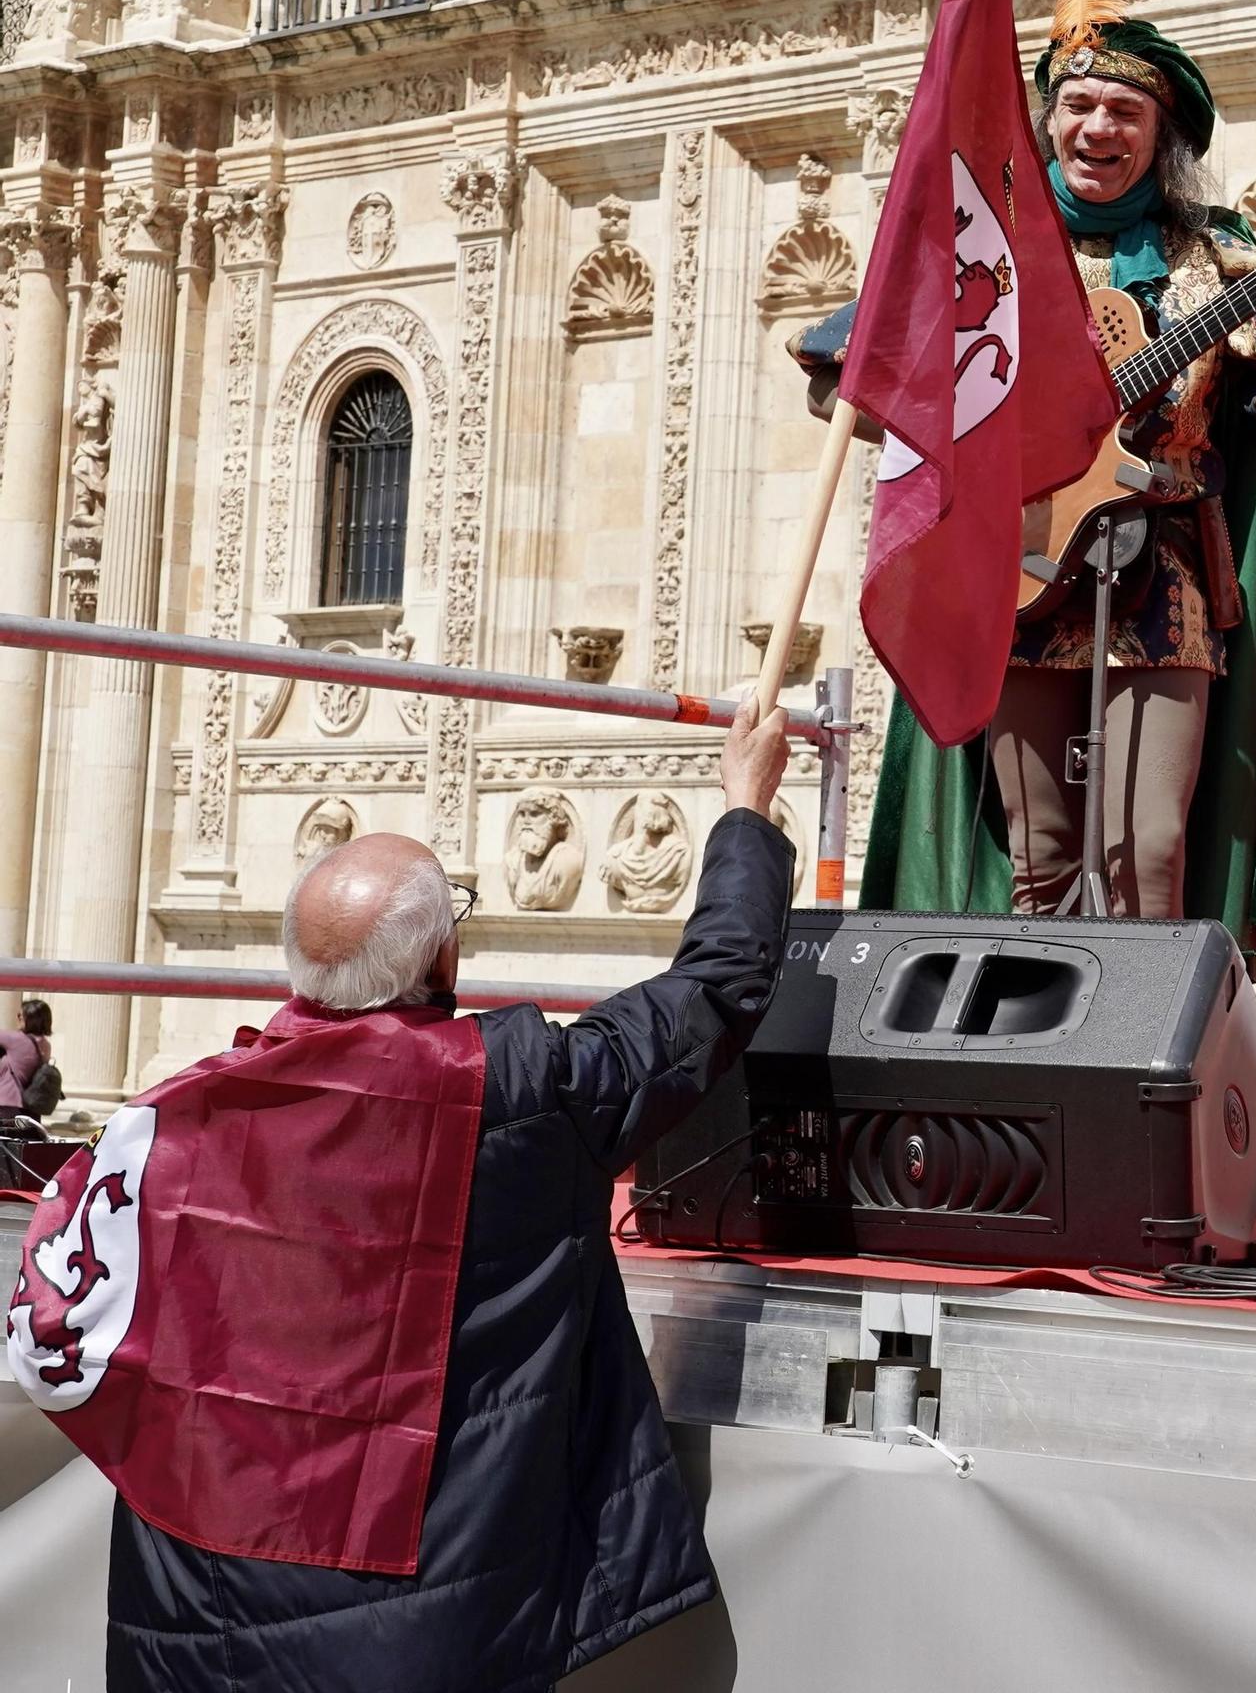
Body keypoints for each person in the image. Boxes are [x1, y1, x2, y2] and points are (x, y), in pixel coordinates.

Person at [11, 699, 793, 1693]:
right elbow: (715, 989)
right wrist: (744, 807)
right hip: (413, 1642)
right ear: (440, 961)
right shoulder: (523, 1091)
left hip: (189, 1624)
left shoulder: (176, 1121)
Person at [793, 0, 1256, 953]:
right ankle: (1029, 1064)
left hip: (1167, 578)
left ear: (1161, 135)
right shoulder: (989, 249)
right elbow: (841, 357)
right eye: (1079, 105)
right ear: (1049, 118)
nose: (1098, 128)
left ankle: (1135, 1083)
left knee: (1142, 853)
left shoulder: (1216, 252)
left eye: (1124, 113)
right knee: (1042, 855)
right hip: (1021, 566)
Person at [0, 998, 53, 1115]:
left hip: (6, 1107)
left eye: (21, 1015)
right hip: (31, 1108)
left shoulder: (15, 1039)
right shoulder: (46, 1045)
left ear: (32, 1019)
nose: (18, 1018)